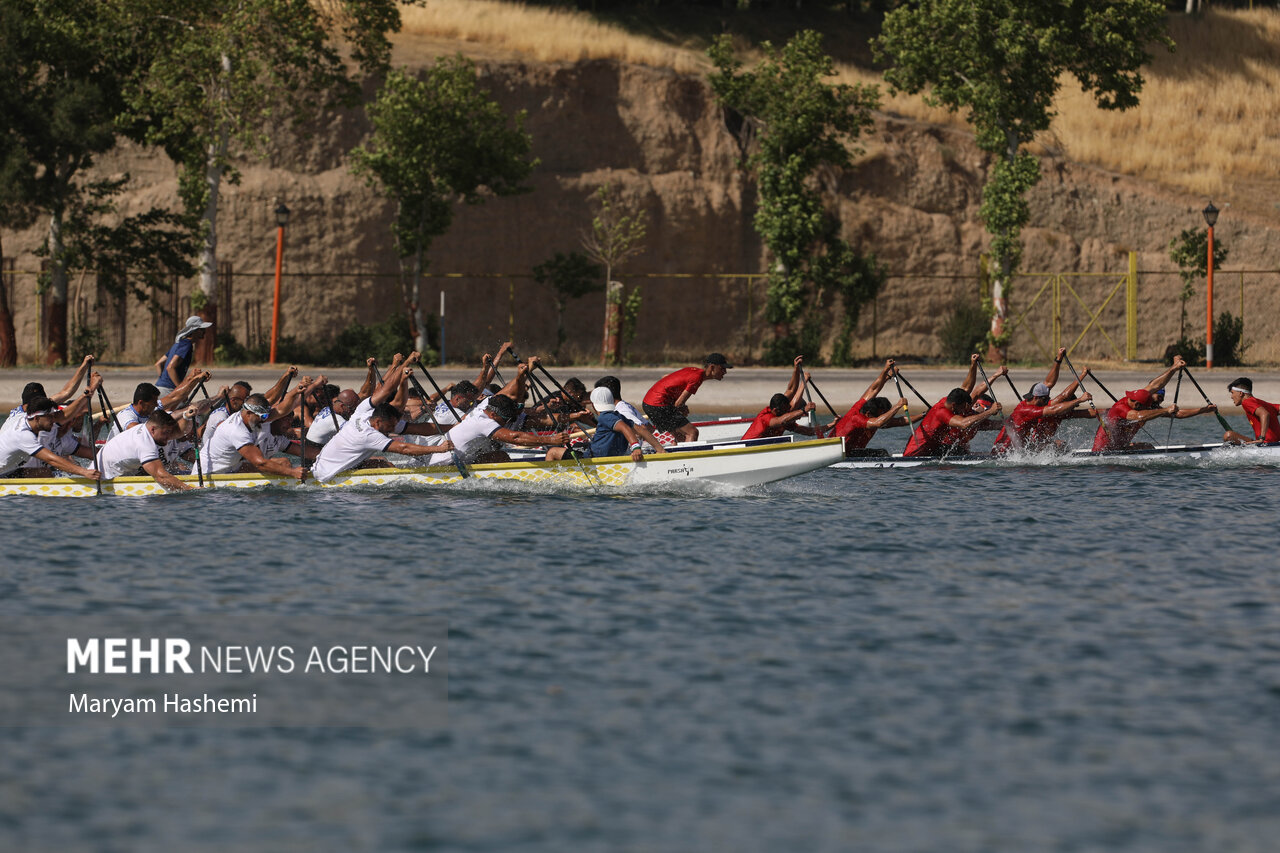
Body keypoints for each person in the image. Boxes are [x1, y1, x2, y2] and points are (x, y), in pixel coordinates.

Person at [1091, 356, 1215, 451]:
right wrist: (1165, 410)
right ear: (1136, 404)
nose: (1159, 400)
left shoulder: (1140, 398)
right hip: (1103, 452)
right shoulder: (1122, 408)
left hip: (1120, 448)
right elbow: (1140, 416)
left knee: (1148, 447)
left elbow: (1155, 385)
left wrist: (1174, 367)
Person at [429, 382, 568, 466]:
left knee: (500, 456)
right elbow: (515, 438)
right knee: (501, 456)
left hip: (460, 460)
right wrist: (551, 440)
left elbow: (510, 391)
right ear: (493, 415)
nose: (506, 423)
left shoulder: (484, 408)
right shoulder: (483, 422)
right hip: (444, 466)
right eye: (504, 420)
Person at [311, 403, 453, 483]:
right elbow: (404, 448)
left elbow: (418, 428)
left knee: (385, 463)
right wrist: (438, 449)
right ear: (378, 422)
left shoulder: (364, 415)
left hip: (340, 465)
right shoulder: (369, 435)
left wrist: (400, 371)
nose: (393, 430)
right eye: (391, 427)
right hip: (327, 477)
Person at [201, 393, 306, 479]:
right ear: (249, 413)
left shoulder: (250, 419)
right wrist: (292, 472)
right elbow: (260, 463)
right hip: (209, 477)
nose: (264, 420)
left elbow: (281, 410)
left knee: (284, 462)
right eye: (262, 416)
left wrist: (298, 390)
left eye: (266, 416)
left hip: (230, 470)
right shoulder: (236, 430)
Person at [0, 397, 100, 479]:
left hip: (10, 470)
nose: (54, 421)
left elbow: (90, 452)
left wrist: (111, 455)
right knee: (45, 472)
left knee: (48, 471)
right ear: (37, 418)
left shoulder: (44, 426)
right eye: (50, 418)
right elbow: (51, 460)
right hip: (3, 474)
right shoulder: (26, 434)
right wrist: (85, 472)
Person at [641, 353, 732, 442]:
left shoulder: (693, 370)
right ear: (712, 367)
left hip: (649, 403)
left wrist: (679, 407)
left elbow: (665, 377)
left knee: (682, 437)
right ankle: (688, 455)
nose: (725, 372)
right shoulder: (697, 378)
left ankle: (677, 454)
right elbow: (678, 403)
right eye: (722, 368)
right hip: (658, 405)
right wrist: (682, 408)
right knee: (692, 432)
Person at [826, 360, 914, 450]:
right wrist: (898, 406)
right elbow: (879, 422)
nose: (884, 417)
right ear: (868, 414)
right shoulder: (857, 418)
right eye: (880, 415)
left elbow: (873, 389)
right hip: (836, 452)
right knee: (881, 453)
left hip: (852, 452)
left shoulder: (863, 406)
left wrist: (886, 373)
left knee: (880, 453)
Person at [97, 410, 191, 491]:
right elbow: (161, 477)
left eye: (169, 432)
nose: (168, 437)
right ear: (153, 429)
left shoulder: (145, 428)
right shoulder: (144, 443)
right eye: (166, 432)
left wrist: (186, 417)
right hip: (102, 480)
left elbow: (179, 433)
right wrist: (190, 489)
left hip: (122, 473)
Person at [903, 387, 1003, 457]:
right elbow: (964, 424)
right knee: (958, 450)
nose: (964, 410)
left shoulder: (949, 402)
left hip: (933, 450)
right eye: (963, 407)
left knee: (959, 450)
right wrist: (990, 412)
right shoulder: (945, 412)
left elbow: (969, 387)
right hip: (916, 454)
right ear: (954, 405)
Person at [593, 376, 668, 452]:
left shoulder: (621, 410)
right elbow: (649, 428)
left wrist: (635, 445)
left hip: (629, 451)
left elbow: (642, 428)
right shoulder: (624, 405)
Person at [156, 315, 211, 393]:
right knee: (192, 405)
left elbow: (158, 364)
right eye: (202, 329)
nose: (204, 332)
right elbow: (170, 368)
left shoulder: (178, 344)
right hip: (169, 390)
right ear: (195, 330)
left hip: (159, 387)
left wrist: (163, 381)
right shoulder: (186, 344)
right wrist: (181, 390)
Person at [1223, 377, 1280, 445]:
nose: (1231, 397)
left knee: (1229, 435)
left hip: (1267, 443)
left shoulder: (1247, 402)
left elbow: (1265, 414)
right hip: (1276, 442)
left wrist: (1261, 438)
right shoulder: (1262, 403)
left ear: (1241, 393)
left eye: (1232, 393)